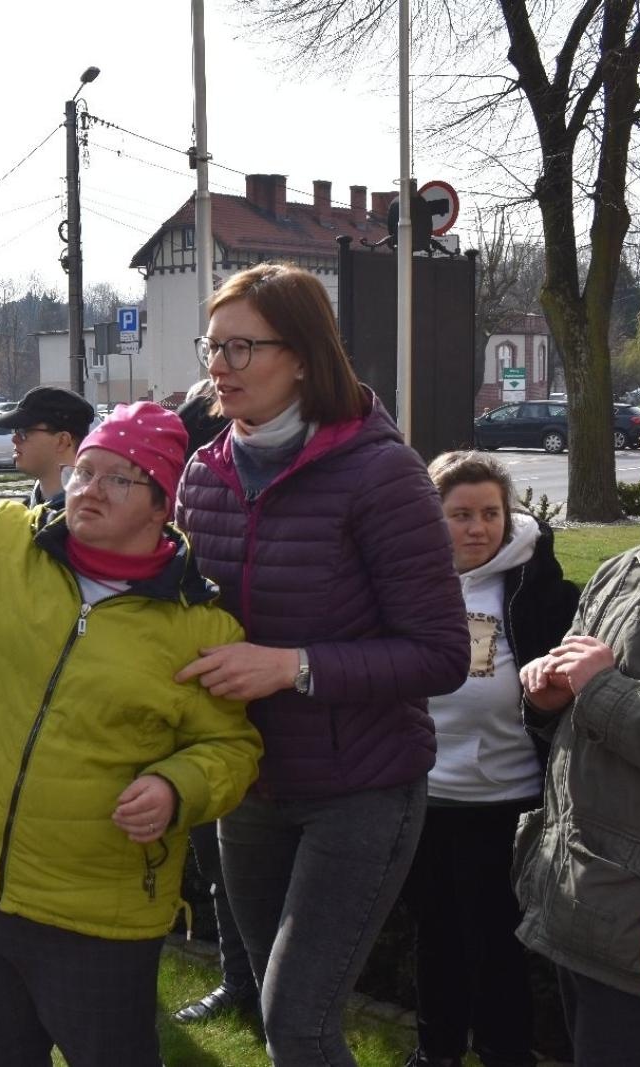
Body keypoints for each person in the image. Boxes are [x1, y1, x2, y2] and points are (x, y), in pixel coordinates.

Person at [0, 400, 263, 1064]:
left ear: (160, 502)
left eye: (120, 478)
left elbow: (232, 747)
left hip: (97, 916)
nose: (90, 489)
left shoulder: (196, 625)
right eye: (86, 470)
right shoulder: (2, 542)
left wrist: (176, 786)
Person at [176, 263, 469, 1065]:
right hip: (248, 785)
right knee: (285, 1019)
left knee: (298, 1021)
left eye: (243, 347)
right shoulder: (203, 474)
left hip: (360, 790)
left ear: (302, 356)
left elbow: (443, 652)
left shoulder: (381, 473)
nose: (219, 366)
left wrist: (293, 667)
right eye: (213, 345)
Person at [516, 372, 640, 1067]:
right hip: (587, 907)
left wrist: (599, 688)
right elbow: (581, 713)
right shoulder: (623, 569)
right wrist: (545, 700)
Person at [398, 452, 578, 1067]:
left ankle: (507, 1052)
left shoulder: (540, 591)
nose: (478, 528)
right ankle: (436, 1049)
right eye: (461, 515)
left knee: (497, 942)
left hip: (508, 801)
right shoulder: (404, 583)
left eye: (490, 514)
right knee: (434, 934)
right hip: (426, 796)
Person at [170, 372, 250, 1024]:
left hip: (256, 695)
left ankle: (256, 985)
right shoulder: (180, 515)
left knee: (243, 864)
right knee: (218, 858)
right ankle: (238, 981)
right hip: (201, 700)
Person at [0, 384, 95, 508]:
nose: (15, 439)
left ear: (62, 441)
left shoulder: (89, 518)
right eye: (16, 431)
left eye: (24, 432)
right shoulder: (31, 509)